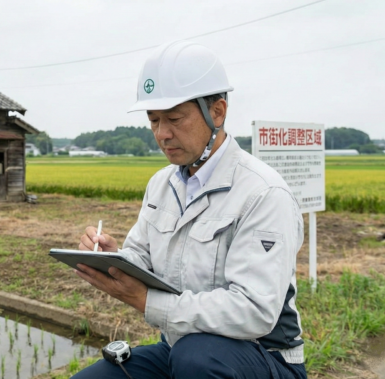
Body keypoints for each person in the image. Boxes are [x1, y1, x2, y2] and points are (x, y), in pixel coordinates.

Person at [71, 41, 307, 379]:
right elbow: (144, 258)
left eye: (175, 119)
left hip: (261, 357)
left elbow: (254, 311)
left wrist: (146, 301)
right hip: (180, 351)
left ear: (218, 112)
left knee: (198, 357)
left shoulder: (263, 193)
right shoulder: (161, 184)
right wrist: (116, 260)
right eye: (153, 121)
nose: (162, 134)